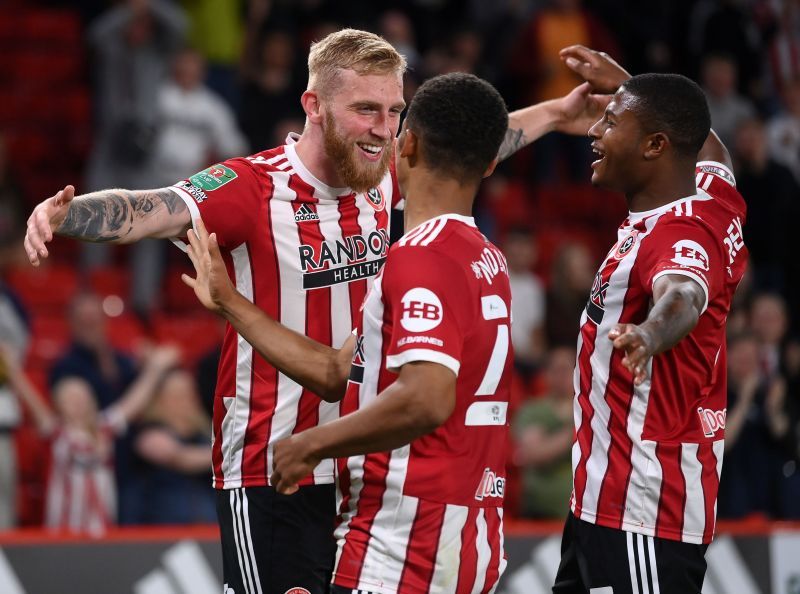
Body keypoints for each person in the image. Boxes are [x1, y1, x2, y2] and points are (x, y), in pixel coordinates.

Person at [24, 28, 606, 593]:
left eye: (393, 111)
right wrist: (64, 216)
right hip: (273, 467)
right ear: (314, 104)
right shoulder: (252, 188)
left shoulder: (383, 174)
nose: (383, 130)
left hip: (363, 469)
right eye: (365, 110)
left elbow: (466, 143)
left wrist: (555, 113)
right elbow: (150, 208)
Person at [181, 72, 609, 593]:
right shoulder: (486, 258)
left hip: (406, 543)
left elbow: (426, 399)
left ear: (406, 144)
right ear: (491, 163)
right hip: (474, 534)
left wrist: (310, 444)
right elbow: (339, 370)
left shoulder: (419, 261)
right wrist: (231, 303)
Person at [552, 45, 749, 593]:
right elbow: (713, 150)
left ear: (656, 145)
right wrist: (630, 84)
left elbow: (685, 292)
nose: (594, 130)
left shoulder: (676, 236)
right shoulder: (713, 196)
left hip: (641, 508)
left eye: (611, 121)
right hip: (603, 500)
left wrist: (649, 332)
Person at [0, 344, 178, 535]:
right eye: (69, 397)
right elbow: (32, 402)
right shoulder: (56, 433)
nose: (77, 402)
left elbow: (132, 404)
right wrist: (12, 369)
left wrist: (155, 370)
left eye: (81, 396)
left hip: (101, 529)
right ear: (58, 404)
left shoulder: (104, 428)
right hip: (63, 530)